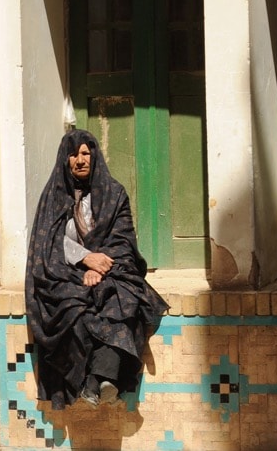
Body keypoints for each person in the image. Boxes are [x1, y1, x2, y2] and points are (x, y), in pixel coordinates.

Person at [25, 128, 169, 408]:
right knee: (72, 307)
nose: (80, 160)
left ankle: (97, 381)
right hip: (62, 273)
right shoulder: (52, 198)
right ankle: (97, 380)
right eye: (73, 154)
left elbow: (124, 241)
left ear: (94, 156)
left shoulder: (114, 194)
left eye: (85, 153)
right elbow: (46, 244)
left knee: (123, 297)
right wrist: (84, 258)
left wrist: (100, 266)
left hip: (109, 269)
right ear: (64, 160)